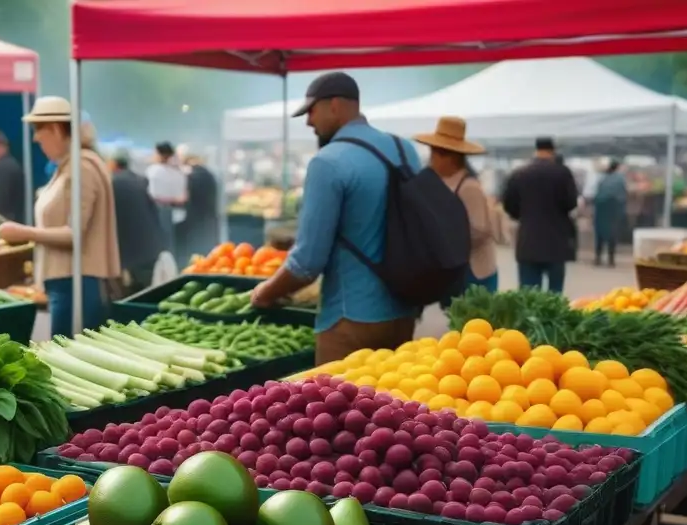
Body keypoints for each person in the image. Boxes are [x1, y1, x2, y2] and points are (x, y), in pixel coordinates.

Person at [250, 72, 421, 365]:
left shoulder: (328, 162)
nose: (308, 122)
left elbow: (307, 263)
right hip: (405, 311)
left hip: (351, 320)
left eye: (311, 111)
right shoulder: (405, 151)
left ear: (335, 105)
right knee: (392, 407)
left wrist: (264, 292)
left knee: (335, 408)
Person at [0, 97, 120, 337]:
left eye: (38, 132)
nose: (35, 139)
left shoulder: (82, 168)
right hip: (63, 282)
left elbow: (74, 233)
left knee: (70, 356)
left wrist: (22, 232)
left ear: (54, 129)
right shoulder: (68, 167)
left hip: (75, 283)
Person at [412, 117, 496, 300]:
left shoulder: (468, 187)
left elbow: (481, 230)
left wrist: (445, 237)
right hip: (454, 268)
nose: (431, 160)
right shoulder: (442, 182)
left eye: (434, 155)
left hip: (474, 271)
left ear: (451, 157)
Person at [502, 138, 578, 293]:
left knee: (529, 296)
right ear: (553, 151)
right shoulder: (562, 173)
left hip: (528, 241)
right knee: (555, 295)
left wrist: (524, 216)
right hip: (556, 242)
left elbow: (509, 205)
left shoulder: (519, 174)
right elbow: (571, 203)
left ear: (535, 150)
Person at [110, 150, 166, 290]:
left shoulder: (111, 183)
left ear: (113, 164)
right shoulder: (140, 180)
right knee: (146, 288)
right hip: (149, 245)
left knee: (132, 292)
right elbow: (154, 211)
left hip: (129, 250)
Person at [146, 141, 188, 265]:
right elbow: (183, 196)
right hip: (180, 214)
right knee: (176, 247)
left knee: (163, 249)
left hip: (160, 211)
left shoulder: (153, 171)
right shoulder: (179, 172)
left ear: (159, 154)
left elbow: (151, 194)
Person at [177, 154, 220, 262]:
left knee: (195, 257)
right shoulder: (209, 174)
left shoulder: (192, 176)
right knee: (209, 254)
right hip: (210, 219)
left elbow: (185, 198)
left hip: (195, 220)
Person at [593, 159, 627, 267]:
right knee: (612, 235)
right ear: (617, 167)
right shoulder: (620, 178)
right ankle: (611, 260)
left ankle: (598, 258)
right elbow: (623, 195)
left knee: (600, 234)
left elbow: (597, 194)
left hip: (601, 210)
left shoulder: (603, 178)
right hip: (613, 211)